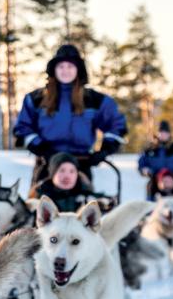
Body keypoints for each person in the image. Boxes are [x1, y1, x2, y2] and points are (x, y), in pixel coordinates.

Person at [14, 44, 127, 196]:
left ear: (78, 70)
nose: (65, 70)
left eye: (70, 66)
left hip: (81, 163)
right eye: (61, 66)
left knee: (83, 211)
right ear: (54, 69)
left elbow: (116, 124)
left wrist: (105, 149)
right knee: (40, 210)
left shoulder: (94, 100)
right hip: (47, 164)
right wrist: (41, 148)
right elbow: (23, 127)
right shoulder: (35, 99)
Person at [34, 152, 111, 213]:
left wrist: (106, 204)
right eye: (62, 170)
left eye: (72, 171)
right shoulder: (39, 199)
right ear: (52, 174)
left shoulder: (88, 198)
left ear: (77, 174)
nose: (67, 176)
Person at [138, 120, 173, 200]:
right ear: (157, 134)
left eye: (165, 133)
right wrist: (145, 171)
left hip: (171, 179)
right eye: (161, 132)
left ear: (169, 134)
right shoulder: (150, 150)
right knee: (151, 191)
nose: (163, 135)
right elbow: (142, 165)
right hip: (154, 180)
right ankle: (151, 209)